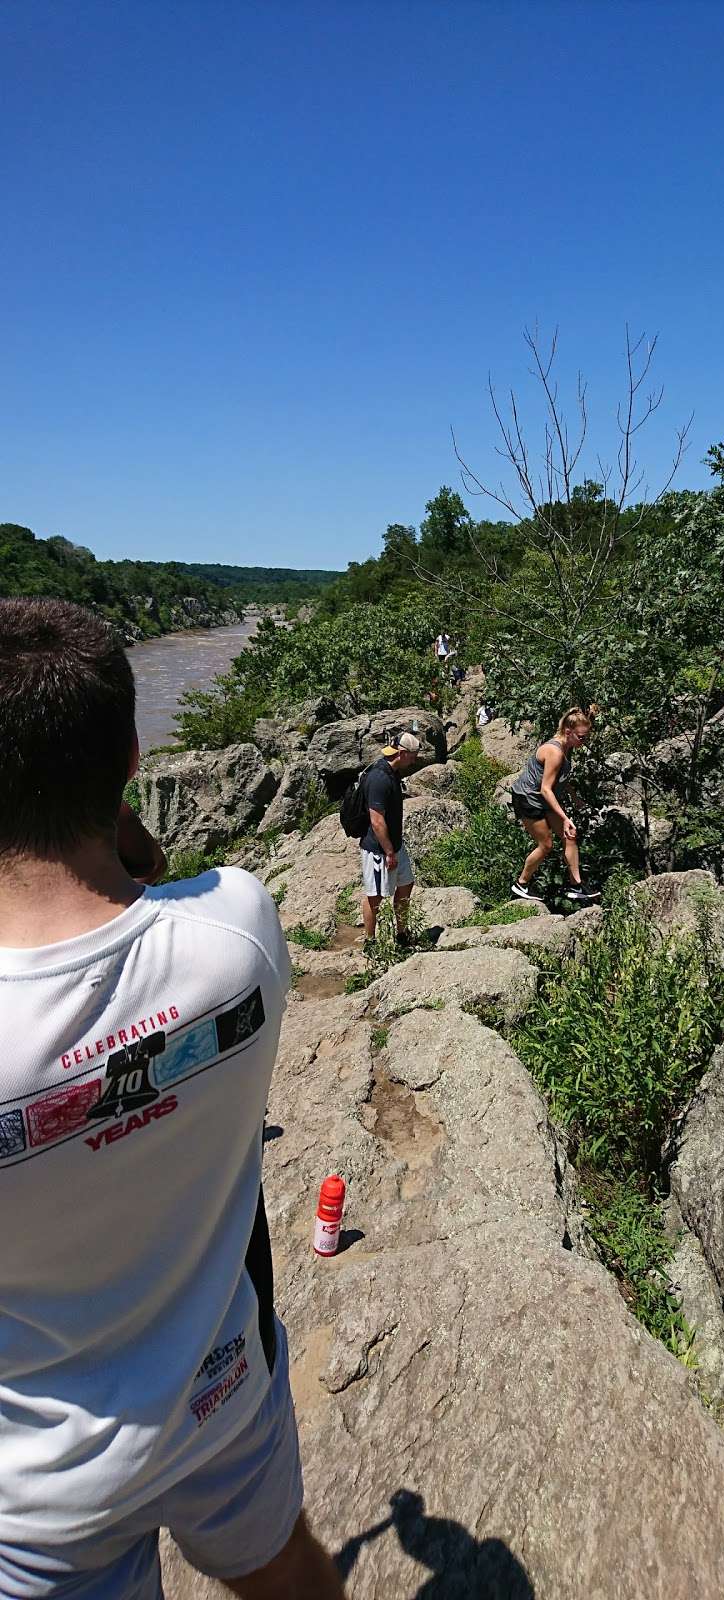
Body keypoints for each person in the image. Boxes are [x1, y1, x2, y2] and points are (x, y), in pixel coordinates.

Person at [0, 599, 344, 1600]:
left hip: (41, 1489)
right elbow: (151, 871)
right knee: (289, 1570)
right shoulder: (240, 931)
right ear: (133, 760)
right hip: (223, 1394)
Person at [509, 707, 602, 904]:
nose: (584, 742)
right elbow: (546, 788)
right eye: (581, 737)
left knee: (570, 835)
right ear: (568, 732)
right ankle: (522, 883)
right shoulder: (555, 752)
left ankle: (575, 885)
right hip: (528, 798)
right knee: (546, 845)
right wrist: (566, 817)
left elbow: (559, 777)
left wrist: (574, 797)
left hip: (542, 797)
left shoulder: (567, 746)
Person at [359, 732, 421, 943]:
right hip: (379, 850)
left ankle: (401, 934)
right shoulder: (379, 778)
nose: (415, 760)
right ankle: (370, 940)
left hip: (395, 845)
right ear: (402, 753)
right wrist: (388, 852)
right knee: (375, 896)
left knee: (406, 885)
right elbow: (377, 821)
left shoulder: (393, 772)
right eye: (413, 755)